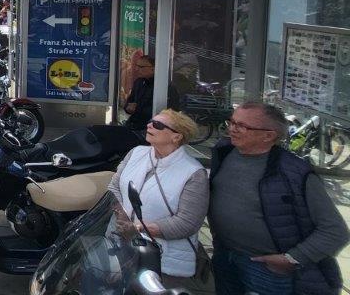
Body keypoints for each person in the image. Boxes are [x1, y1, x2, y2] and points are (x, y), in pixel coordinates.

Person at [209, 101, 348, 295]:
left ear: (268, 136)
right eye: (231, 122)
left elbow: (335, 231)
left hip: (267, 270)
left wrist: (291, 259)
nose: (232, 129)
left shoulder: (295, 174)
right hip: (225, 256)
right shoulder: (224, 151)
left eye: (242, 126)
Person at [109, 110, 207, 286]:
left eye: (158, 125)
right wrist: (121, 216)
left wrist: (138, 228)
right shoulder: (136, 152)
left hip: (163, 260)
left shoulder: (193, 172)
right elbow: (114, 187)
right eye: (150, 121)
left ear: (177, 137)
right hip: (124, 247)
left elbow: (188, 223)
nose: (149, 126)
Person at [124, 55, 156, 131]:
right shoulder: (139, 82)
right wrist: (128, 108)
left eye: (141, 67)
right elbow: (129, 102)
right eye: (136, 66)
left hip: (149, 127)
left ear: (153, 69)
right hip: (133, 125)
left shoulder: (162, 86)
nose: (136, 69)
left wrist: (137, 109)